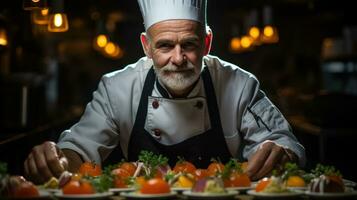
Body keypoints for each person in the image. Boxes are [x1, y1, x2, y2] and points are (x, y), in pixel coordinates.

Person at [24, 0, 306, 184]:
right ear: (146, 46)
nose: (178, 58)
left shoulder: (239, 85)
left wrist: (282, 154)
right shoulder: (117, 88)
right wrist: (57, 161)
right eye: (165, 46)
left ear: (207, 43)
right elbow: (80, 149)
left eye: (190, 45)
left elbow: (283, 142)